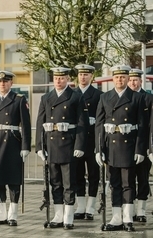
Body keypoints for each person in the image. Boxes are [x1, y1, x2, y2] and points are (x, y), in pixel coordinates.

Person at [36, 67, 89, 230]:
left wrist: (79, 145)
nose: (58, 81)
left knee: (69, 183)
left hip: (68, 144)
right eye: (56, 78)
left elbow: (82, 123)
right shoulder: (46, 97)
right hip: (52, 145)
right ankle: (58, 214)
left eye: (62, 78)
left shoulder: (75, 96)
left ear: (67, 79)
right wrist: (39, 146)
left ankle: (68, 215)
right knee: (55, 182)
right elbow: (40, 122)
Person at [95, 65, 146, 232]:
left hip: (128, 146)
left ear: (127, 78)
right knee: (114, 183)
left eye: (123, 77)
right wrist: (98, 149)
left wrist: (140, 149)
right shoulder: (105, 97)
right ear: (113, 79)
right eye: (117, 77)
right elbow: (99, 125)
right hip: (111, 146)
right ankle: (116, 218)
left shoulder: (136, 98)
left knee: (128, 183)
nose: (120, 80)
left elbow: (142, 126)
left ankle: (128, 217)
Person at [0, 71, 31, 226]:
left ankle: (12, 214)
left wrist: (25, 146)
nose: (3, 84)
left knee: (13, 180)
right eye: (0, 81)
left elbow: (26, 125)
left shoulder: (18, 100)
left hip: (12, 143)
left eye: (6, 81)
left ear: (11, 83)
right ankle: (1, 213)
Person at [73, 64, 103, 220]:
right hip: (77, 140)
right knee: (77, 173)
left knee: (93, 174)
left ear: (91, 76)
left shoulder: (98, 95)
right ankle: (81, 206)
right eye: (80, 74)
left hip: (92, 140)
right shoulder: (73, 94)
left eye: (86, 75)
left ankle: (90, 207)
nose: (83, 77)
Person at [128, 68, 152, 223]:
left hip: (143, 144)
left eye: (135, 80)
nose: (132, 83)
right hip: (126, 146)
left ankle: (141, 211)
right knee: (127, 180)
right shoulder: (124, 97)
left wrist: (150, 147)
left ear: (141, 81)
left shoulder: (148, 98)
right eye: (130, 80)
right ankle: (128, 210)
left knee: (142, 178)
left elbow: (150, 125)